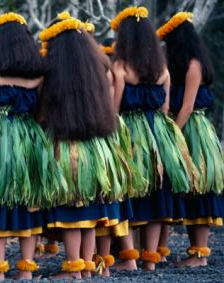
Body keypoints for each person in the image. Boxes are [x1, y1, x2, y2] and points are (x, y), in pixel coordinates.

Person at [0, 12, 65, 280]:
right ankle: (26, 269)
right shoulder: (39, 73)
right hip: (27, 136)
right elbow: (40, 112)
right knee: (27, 199)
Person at [39, 13, 133, 279]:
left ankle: (74, 269)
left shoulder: (52, 71)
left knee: (71, 207)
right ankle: (87, 268)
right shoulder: (99, 68)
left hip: (66, 147)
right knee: (91, 208)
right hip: (96, 147)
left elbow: (43, 113)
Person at [111, 6, 198, 271]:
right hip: (159, 134)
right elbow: (165, 108)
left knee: (129, 189)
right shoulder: (162, 68)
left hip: (131, 134)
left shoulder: (120, 66)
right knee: (156, 191)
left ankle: (129, 258)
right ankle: (150, 258)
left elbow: (114, 109)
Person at [158, 12, 224, 267]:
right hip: (183, 127)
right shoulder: (182, 64)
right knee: (189, 189)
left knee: (200, 186)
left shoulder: (194, 65)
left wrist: (173, 134)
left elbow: (186, 107)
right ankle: (195, 252)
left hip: (193, 130)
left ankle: (200, 254)